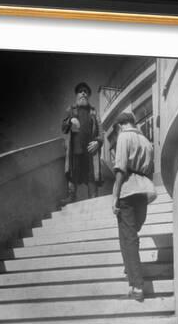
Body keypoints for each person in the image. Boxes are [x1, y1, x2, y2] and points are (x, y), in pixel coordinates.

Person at [112, 111, 157, 301]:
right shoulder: (147, 142)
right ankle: (131, 273)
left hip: (128, 191)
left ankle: (137, 286)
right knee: (130, 236)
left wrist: (115, 194)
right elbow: (151, 169)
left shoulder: (124, 137)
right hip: (143, 191)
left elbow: (121, 168)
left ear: (121, 125)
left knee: (128, 238)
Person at [61, 82, 103, 204]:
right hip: (75, 149)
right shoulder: (71, 109)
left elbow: (101, 132)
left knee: (92, 175)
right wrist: (70, 120)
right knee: (73, 173)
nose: (83, 93)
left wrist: (98, 142)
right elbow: (63, 128)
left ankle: (93, 199)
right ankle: (71, 197)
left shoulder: (93, 112)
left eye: (86, 91)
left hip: (90, 150)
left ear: (88, 96)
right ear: (77, 95)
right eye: (80, 91)